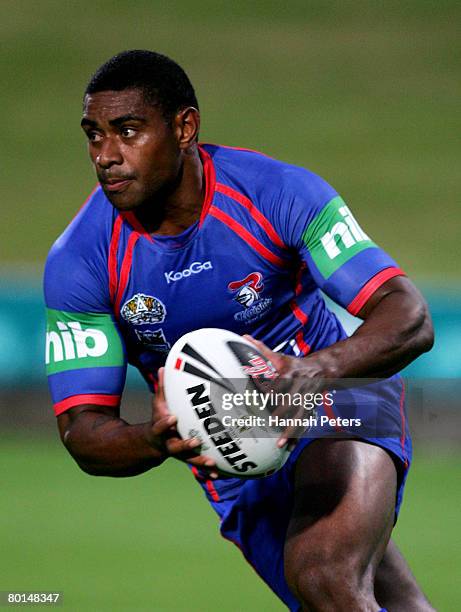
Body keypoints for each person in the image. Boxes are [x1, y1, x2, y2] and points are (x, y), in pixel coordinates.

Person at [44, 50, 435, 611]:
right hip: (231, 454)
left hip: (336, 395)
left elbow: (409, 315)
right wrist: (153, 440)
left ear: (184, 128)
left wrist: (309, 372)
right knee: (374, 602)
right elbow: (83, 431)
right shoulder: (80, 261)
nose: (106, 156)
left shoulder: (277, 192)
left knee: (326, 577)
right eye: (94, 135)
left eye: (128, 131)